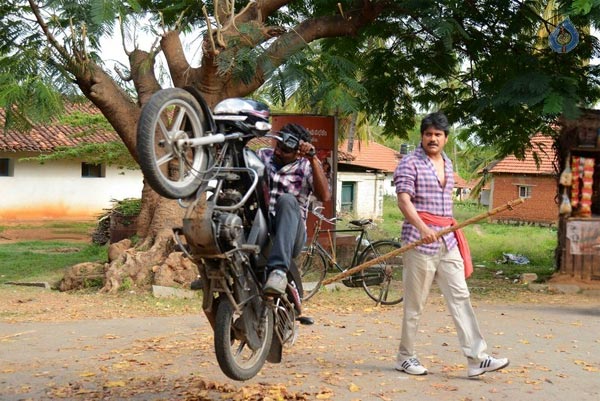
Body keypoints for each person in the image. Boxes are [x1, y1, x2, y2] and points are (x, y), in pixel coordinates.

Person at [393, 111, 509, 378]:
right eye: (428, 134)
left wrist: (440, 230)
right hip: (419, 242)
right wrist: (423, 229)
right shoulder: (409, 163)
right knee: (415, 304)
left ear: (445, 138)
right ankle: (405, 357)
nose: (432, 139)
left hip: (448, 239)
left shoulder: (447, 163)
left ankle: (477, 359)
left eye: (438, 134)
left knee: (460, 296)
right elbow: (403, 201)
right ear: (421, 136)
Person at [257, 123, 331, 295]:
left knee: (287, 200)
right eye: (278, 147)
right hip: (261, 226)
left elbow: (325, 196)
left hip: (292, 234)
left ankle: (278, 271)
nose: (278, 152)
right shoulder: (262, 155)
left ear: (298, 152)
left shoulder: (306, 166)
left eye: (285, 150)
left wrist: (313, 158)